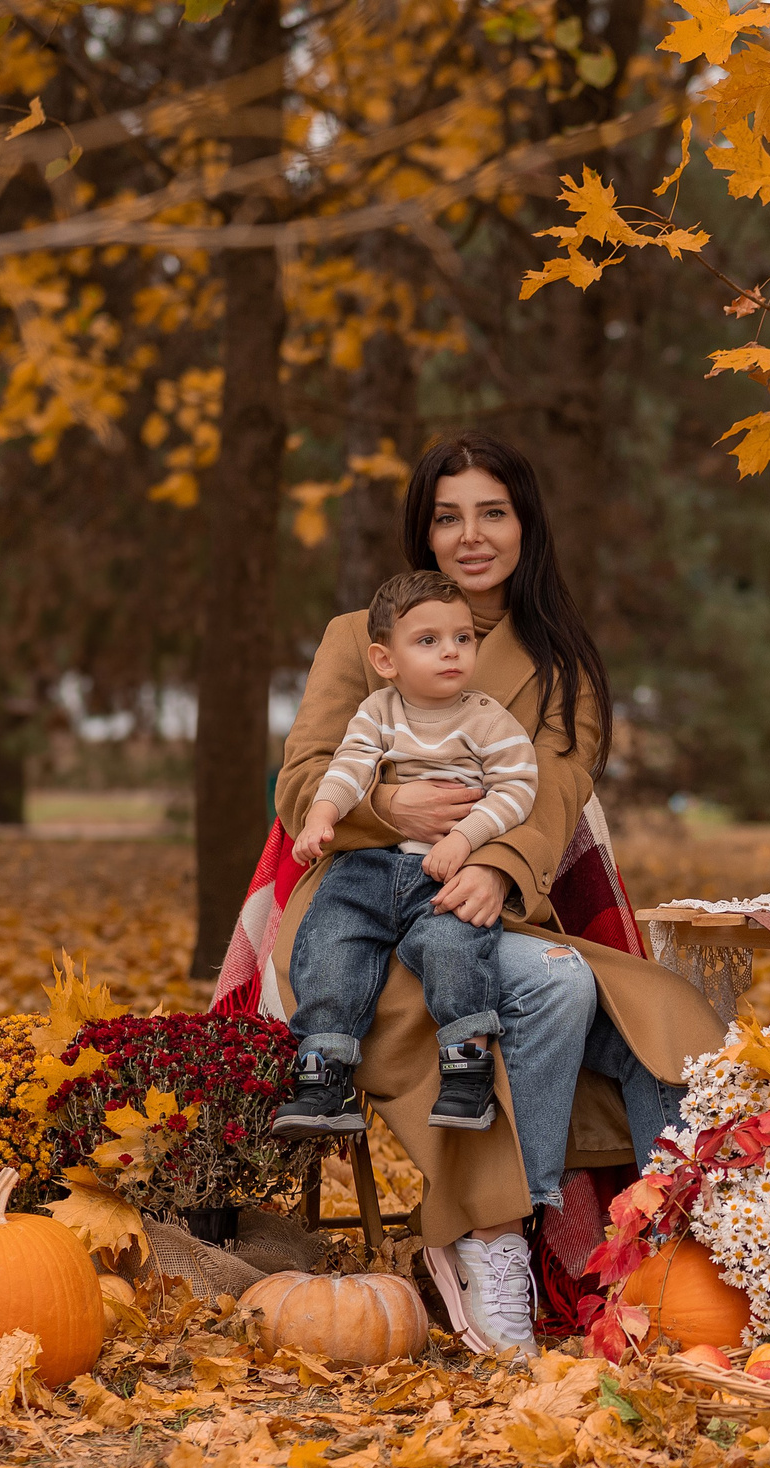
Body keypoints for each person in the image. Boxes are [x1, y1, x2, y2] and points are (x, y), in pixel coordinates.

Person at [270, 432, 723, 1356]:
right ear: (423, 532)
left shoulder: (562, 665)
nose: (470, 535)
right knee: (550, 985)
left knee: (657, 1010)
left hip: (489, 902)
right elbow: (300, 780)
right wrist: (387, 799)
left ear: (525, 524)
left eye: (492, 512)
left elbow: (552, 793)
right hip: (355, 915)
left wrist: (492, 866)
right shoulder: (359, 639)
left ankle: (679, 1251)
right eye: (447, 516)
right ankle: (490, 1238)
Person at [274, 569, 543, 1140]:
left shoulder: (486, 717)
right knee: (331, 939)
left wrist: (465, 839)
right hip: (369, 864)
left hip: (441, 870)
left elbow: (519, 787)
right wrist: (324, 814)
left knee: (454, 945)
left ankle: (467, 1067)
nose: (451, 652)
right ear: (386, 659)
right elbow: (347, 765)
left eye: (462, 638)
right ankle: (324, 1072)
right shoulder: (378, 711)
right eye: (429, 641)